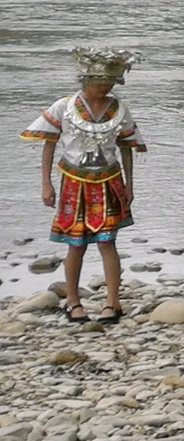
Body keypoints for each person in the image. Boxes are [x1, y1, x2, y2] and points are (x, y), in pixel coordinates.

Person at [25, 47, 142, 324]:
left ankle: (113, 302)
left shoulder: (120, 109)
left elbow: (126, 148)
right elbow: (49, 144)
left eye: (110, 84)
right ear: (86, 80)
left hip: (109, 181)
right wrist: (46, 183)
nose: (105, 88)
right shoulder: (63, 107)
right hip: (73, 183)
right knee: (75, 244)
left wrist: (129, 185)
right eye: (100, 83)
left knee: (107, 241)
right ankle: (73, 301)